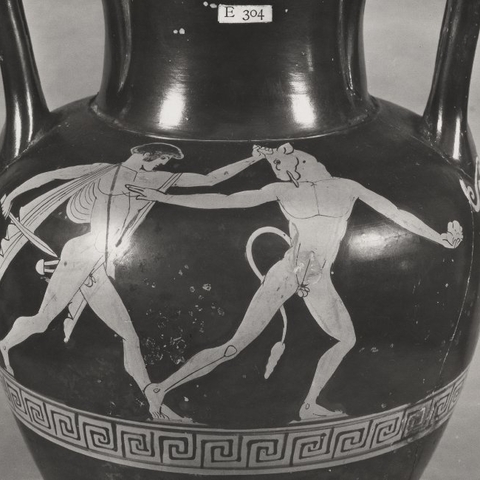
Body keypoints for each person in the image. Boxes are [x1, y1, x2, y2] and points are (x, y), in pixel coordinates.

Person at [127, 143, 463, 421]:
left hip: (317, 277)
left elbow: (395, 213)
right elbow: (225, 200)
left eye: (280, 162)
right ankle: (161, 389)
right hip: (288, 272)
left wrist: (440, 238)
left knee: (345, 338)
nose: (277, 169)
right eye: (275, 165)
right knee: (236, 345)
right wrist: (165, 198)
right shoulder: (283, 190)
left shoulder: (347, 187)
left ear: (300, 158)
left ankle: (308, 405)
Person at [0, 142, 262, 420]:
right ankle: (5, 346)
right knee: (43, 320)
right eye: (160, 160)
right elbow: (54, 175)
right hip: (80, 255)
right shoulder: (102, 170)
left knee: (129, 337)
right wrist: (11, 195)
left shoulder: (152, 180)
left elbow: (209, 179)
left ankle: (154, 405)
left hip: (96, 264)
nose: (162, 165)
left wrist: (252, 159)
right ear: (146, 154)